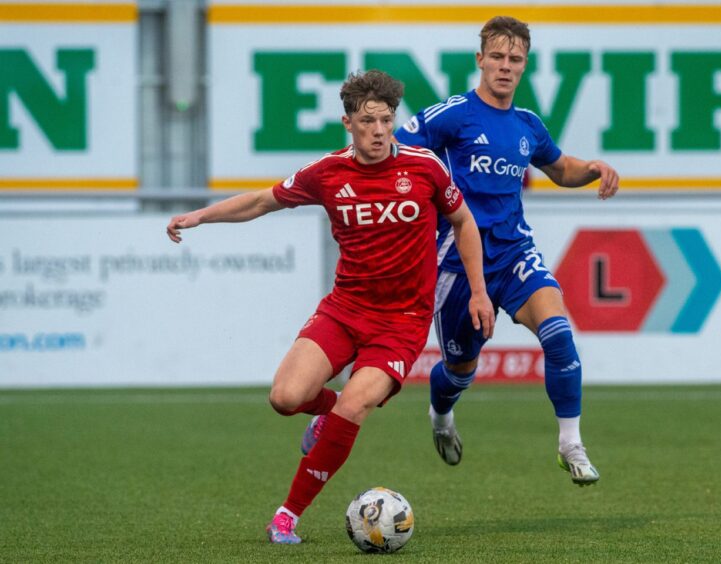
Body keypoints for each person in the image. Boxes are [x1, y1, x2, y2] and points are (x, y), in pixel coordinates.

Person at [166, 70, 495, 544]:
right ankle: (328, 412)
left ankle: (287, 515)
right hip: (345, 308)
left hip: (401, 322)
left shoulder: (425, 167)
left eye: (386, 120)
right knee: (285, 398)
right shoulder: (328, 172)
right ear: (348, 123)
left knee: (357, 404)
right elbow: (262, 201)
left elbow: (463, 222)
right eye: (368, 121)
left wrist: (479, 291)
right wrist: (200, 215)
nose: (379, 130)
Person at [393, 16, 620, 486]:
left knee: (558, 333)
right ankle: (441, 414)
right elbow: (396, 151)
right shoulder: (453, 115)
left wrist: (593, 167)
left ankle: (570, 444)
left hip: (514, 252)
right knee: (459, 369)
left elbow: (559, 169)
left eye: (514, 59)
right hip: (457, 264)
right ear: (479, 60)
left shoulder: (527, 125)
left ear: (524, 66)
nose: (505, 66)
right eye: (496, 56)